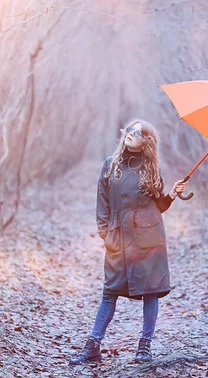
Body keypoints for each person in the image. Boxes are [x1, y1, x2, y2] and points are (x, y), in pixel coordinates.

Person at [70, 118, 187, 365]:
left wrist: (172, 196)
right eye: (130, 129)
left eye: (138, 132)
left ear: (147, 140)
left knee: (151, 292)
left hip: (149, 239)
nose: (131, 134)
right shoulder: (110, 166)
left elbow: (157, 207)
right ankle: (93, 347)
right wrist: (105, 234)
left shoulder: (151, 168)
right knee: (109, 292)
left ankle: (144, 347)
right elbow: (102, 204)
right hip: (118, 238)